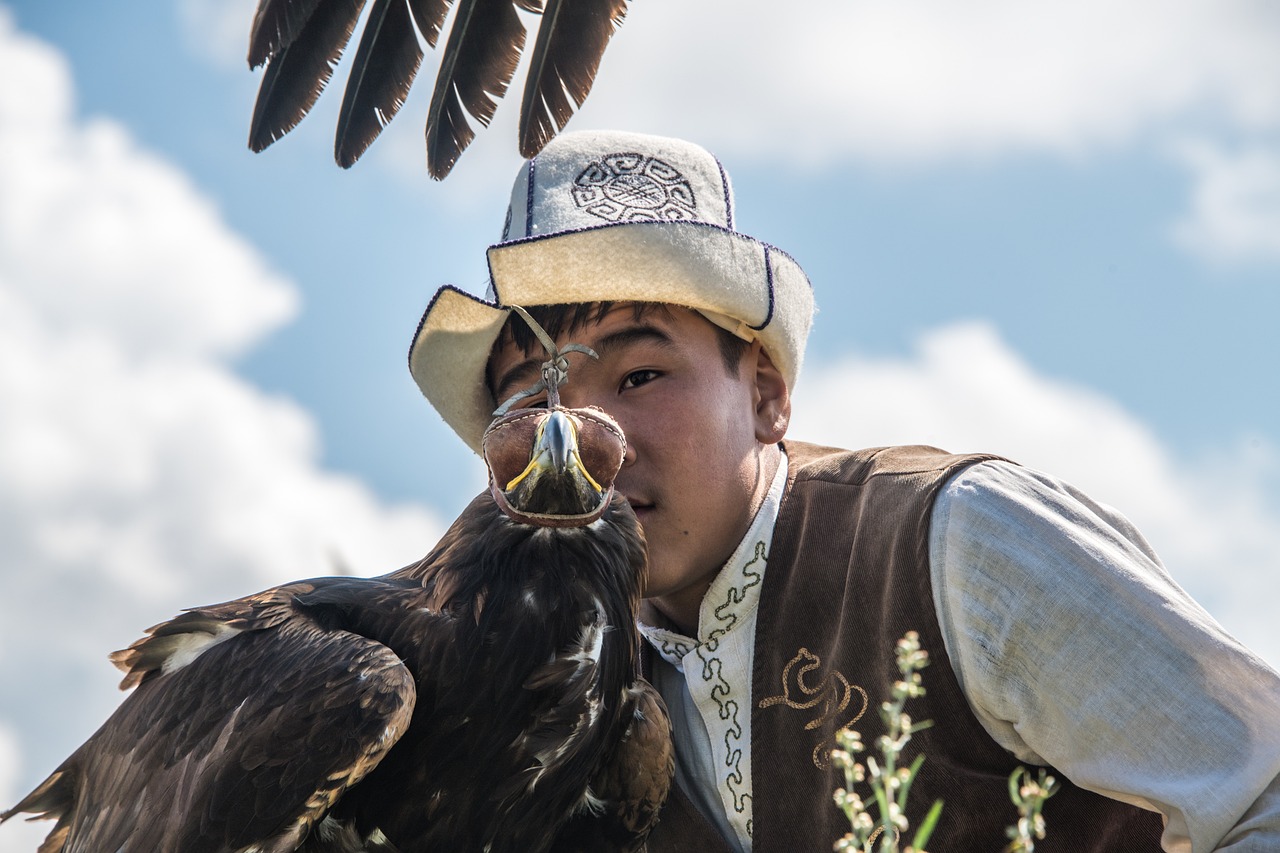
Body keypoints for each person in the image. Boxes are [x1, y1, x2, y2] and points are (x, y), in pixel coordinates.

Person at [407, 130, 1280, 851]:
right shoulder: (539, 686)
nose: (588, 445)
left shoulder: (959, 541)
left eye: (639, 375)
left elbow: (1262, 790)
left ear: (765, 394)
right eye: (536, 404)